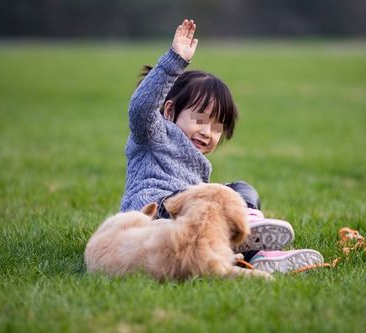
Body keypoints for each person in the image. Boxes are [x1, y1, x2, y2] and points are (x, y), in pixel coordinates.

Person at [120, 19, 323, 273]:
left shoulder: (197, 164)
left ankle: (260, 255)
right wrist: (173, 62)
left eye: (217, 127)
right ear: (171, 111)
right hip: (151, 217)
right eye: (200, 120)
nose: (208, 133)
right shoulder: (155, 133)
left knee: (239, 190)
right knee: (218, 196)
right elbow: (140, 108)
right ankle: (242, 229)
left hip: (184, 221)